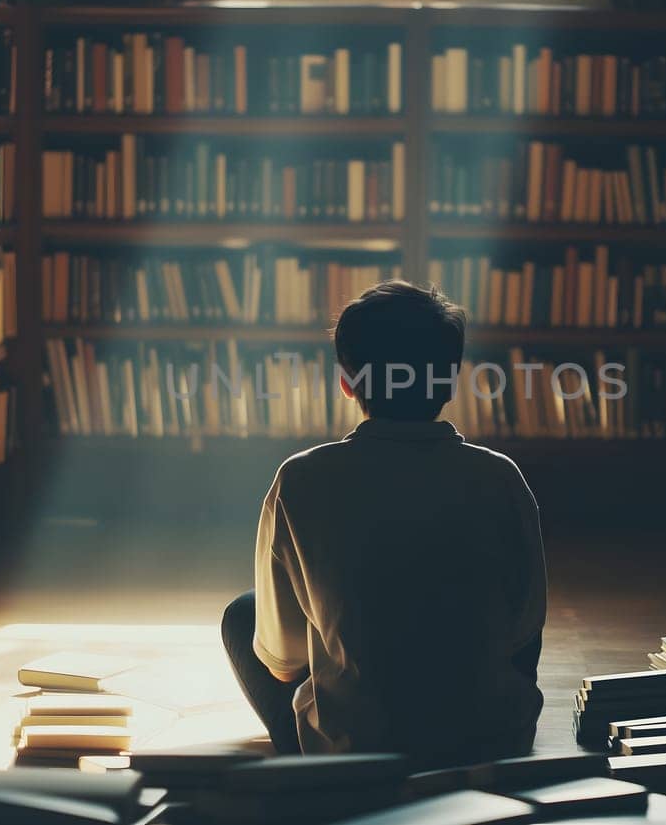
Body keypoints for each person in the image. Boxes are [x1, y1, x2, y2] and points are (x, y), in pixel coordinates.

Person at [221, 280, 547, 767]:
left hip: (355, 757)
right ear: (450, 380)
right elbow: (524, 633)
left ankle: (317, 770)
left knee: (243, 616)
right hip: (490, 746)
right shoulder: (500, 476)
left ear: (347, 382)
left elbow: (285, 663)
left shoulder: (301, 479)